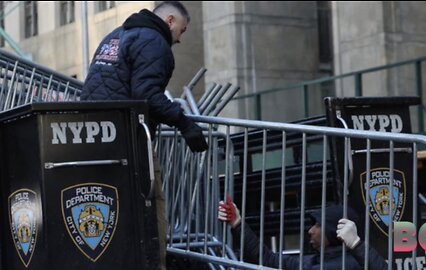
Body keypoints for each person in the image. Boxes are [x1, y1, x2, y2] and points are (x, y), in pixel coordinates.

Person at [81, 2, 208, 270]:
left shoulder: (115, 35)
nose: (180, 39)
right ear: (170, 21)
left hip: (93, 137)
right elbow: (147, 95)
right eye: (181, 31)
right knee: (152, 206)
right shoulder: (154, 41)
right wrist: (184, 123)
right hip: (128, 138)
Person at [218, 201, 361, 270]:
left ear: (334, 231)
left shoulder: (344, 265)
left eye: (318, 225)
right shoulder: (318, 260)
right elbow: (268, 259)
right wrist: (237, 223)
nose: (310, 231)